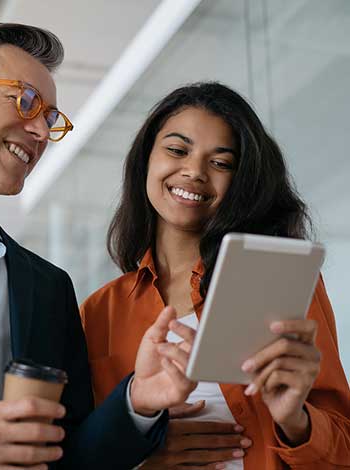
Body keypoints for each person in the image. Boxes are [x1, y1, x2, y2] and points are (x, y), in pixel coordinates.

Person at [0, 23, 198, 470]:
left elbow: (70, 457)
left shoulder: (49, 287)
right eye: (26, 100)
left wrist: (138, 402)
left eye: (50, 118)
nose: (40, 131)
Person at [81, 82, 350, 469]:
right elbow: (80, 455)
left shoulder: (280, 284)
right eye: (177, 150)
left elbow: (342, 452)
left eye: (221, 163)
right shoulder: (98, 313)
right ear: (146, 161)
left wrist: (296, 421)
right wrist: (143, 458)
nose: (194, 171)